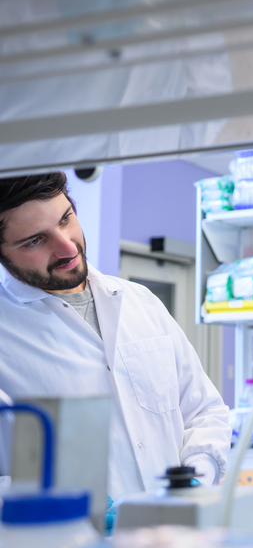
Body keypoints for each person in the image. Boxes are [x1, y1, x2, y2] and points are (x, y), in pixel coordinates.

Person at [0, 173, 230, 499]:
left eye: (66, 219)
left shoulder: (142, 303)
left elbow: (204, 410)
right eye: (35, 240)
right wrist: (54, 500)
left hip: (174, 531)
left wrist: (195, 480)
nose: (67, 246)